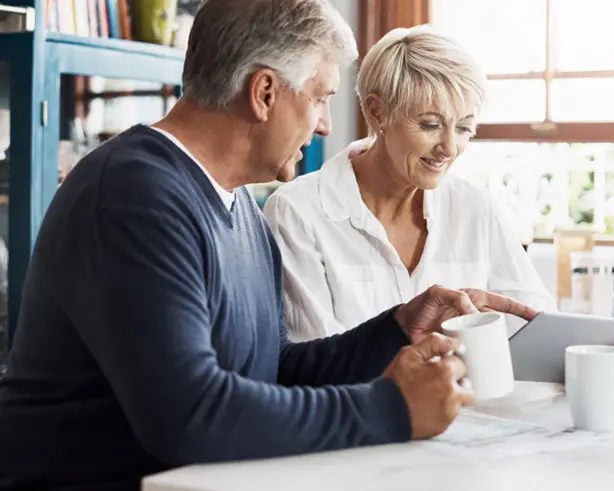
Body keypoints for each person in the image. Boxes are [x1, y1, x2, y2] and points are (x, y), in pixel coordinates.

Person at [0, 2, 539, 490]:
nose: (327, 123)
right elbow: (190, 415)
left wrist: (396, 327)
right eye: (322, 98)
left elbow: (274, 369)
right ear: (264, 93)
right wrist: (391, 409)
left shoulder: (239, 211)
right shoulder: (132, 194)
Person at [263, 25, 556, 343]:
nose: (449, 148)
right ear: (378, 113)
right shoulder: (297, 212)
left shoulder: (476, 208)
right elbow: (314, 363)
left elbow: (541, 333)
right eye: (430, 125)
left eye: (463, 128)